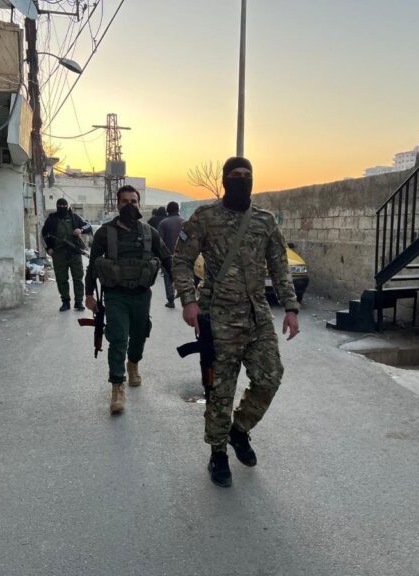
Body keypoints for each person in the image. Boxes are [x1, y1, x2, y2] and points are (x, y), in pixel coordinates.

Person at [172, 156, 300, 488]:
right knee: (220, 391)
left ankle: (238, 430)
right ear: (225, 179)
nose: (242, 180)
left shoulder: (264, 220)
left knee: (270, 378)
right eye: (236, 175)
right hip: (218, 318)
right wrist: (188, 301)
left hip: (257, 318)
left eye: (248, 175)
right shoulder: (205, 218)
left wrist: (290, 307)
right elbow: (181, 261)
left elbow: (279, 265)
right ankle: (218, 454)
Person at [85, 185, 172, 414]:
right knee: (118, 338)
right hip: (115, 295)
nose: (129, 205)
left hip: (141, 295)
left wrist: (187, 289)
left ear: (139, 204)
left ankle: (133, 363)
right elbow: (92, 265)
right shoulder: (105, 232)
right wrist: (88, 294)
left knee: (139, 336)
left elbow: (167, 259)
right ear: (117, 204)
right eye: (125, 201)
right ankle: (117, 386)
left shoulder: (149, 232)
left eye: (133, 201)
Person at [41, 198, 93, 312]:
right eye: (60, 206)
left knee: (78, 278)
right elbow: (43, 234)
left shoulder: (75, 218)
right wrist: (48, 248)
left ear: (67, 206)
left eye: (64, 206)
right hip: (58, 254)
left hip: (74, 253)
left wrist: (80, 230)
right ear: (57, 207)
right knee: (61, 279)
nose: (62, 208)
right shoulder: (51, 219)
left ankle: (79, 302)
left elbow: (88, 226)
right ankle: (65, 302)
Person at [157, 201, 185, 309]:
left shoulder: (164, 223)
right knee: (182, 277)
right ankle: (185, 299)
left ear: (168, 210)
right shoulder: (184, 222)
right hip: (182, 256)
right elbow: (187, 239)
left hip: (167, 256)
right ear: (178, 209)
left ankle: (170, 300)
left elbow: (160, 241)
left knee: (168, 278)